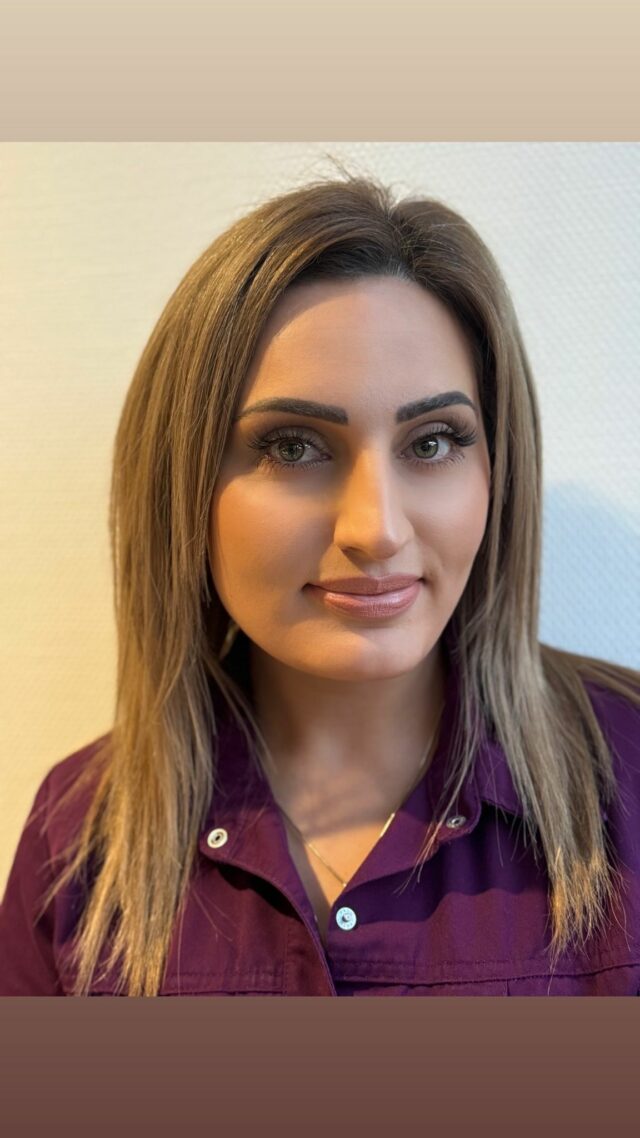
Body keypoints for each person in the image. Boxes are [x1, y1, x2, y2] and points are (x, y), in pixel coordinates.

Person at [1, 173, 639, 997]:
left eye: (433, 441)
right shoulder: (78, 840)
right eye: (293, 447)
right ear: (183, 487)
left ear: (498, 468)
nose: (377, 528)